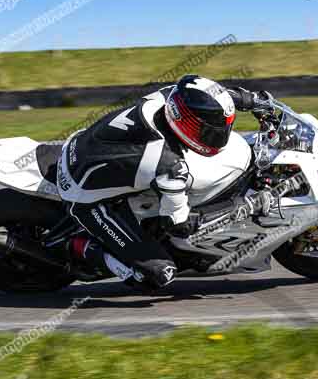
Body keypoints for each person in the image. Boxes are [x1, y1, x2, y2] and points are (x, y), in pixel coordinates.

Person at [56, 74, 260, 290]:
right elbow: (178, 225)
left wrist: (250, 99)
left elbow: (203, 96)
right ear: (185, 121)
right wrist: (241, 207)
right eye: (208, 130)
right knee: (159, 274)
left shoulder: (168, 97)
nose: (217, 135)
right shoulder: (167, 165)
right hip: (83, 196)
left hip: (82, 145)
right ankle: (81, 247)